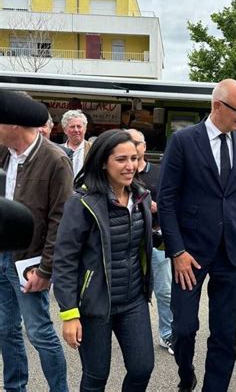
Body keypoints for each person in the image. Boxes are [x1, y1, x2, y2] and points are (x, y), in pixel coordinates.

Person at [158, 79, 236, 392]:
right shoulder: (184, 140)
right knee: (184, 329)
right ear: (217, 106)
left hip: (231, 252)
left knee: (226, 333)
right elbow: (167, 200)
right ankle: (186, 375)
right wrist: (176, 252)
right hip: (190, 254)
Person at [53, 129, 155, 391]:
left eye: (134, 158)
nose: (130, 166)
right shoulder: (82, 202)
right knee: (96, 376)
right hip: (95, 304)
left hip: (133, 300)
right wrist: (69, 314)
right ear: (103, 162)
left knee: (142, 368)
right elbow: (64, 260)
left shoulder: (141, 196)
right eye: (121, 159)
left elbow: (142, 241)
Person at [0, 100, 73, 391]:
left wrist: (45, 269)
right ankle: (15, 387)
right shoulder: (4, 152)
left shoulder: (55, 159)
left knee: (39, 332)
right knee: (6, 330)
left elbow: (61, 219)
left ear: (13, 124)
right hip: (2, 256)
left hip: (29, 264)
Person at [126, 128, 174, 355]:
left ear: (144, 147)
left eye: (137, 143)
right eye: (128, 142)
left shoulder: (160, 172)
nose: (133, 147)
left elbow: (172, 202)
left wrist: (157, 207)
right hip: (126, 240)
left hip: (154, 236)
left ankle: (167, 334)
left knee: (164, 290)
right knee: (130, 291)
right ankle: (132, 335)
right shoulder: (118, 172)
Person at [61, 109, 92, 177]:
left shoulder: (93, 149)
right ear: (65, 130)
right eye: (72, 127)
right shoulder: (58, 150)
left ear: (85, 129)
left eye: (79, 126)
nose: (76, 130)